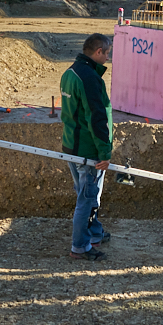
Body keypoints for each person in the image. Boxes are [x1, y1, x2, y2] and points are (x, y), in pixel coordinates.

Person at [60, 33, 114, 261]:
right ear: (98, 51)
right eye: (107, 53)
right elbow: (96, 118)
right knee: (88, 199)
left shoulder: (70, 73)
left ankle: (93, 232)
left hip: (72, 146)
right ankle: (80, 247)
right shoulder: (90, 79)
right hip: (88, 151)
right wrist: (104, 153)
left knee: (87, 194)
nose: (108, 58)